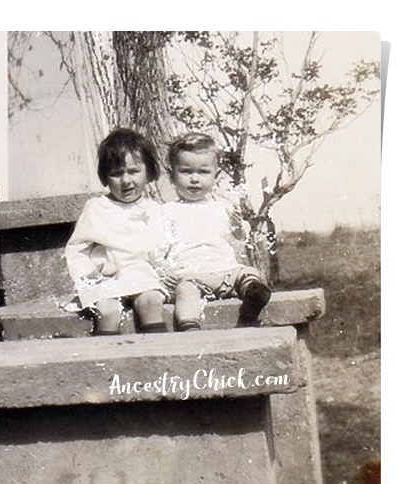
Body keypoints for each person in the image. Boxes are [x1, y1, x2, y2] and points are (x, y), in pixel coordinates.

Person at [154, 132, 271, 330]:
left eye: (203, 172)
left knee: (249, 273)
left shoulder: (224, 208)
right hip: (191, 275)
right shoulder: (167, 211)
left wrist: (238, 229)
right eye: (186, 172)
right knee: (185, 291)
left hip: (226, 271)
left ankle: (252, 302)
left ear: (216, 176)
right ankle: (189, 324)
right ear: (172, 176)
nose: (194, 179)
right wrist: (164, 271)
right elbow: (158, 247)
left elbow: (239, 243)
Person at [64, 128, 167, 335]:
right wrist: (90, 273)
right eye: (116, 174)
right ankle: (108, 352)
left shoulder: (153, 209)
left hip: (140, 273)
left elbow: (162, 247)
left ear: (148, 172)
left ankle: (157, 350)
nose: (126, 181)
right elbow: (76, 249)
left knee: (151, 301)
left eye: (134, 171)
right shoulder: (97, 208)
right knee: (108, 310)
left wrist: (165, 272)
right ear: (105, 178)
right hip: (105, 275)